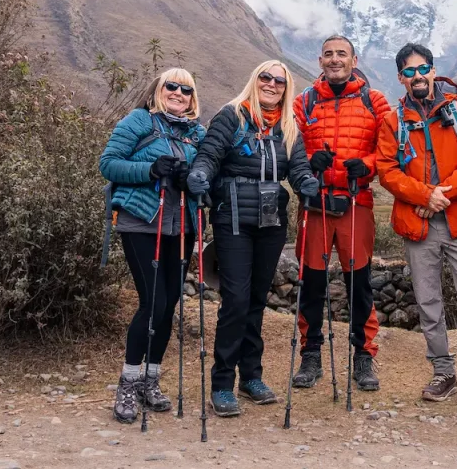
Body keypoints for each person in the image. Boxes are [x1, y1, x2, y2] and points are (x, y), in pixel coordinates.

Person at [187, 60, 319, 417]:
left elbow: (299, 167)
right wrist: (199, 175)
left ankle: (251, 377)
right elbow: (209, 155)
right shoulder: (232, 115)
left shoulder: (289, 125)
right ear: (254, 79)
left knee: (257, 299)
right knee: (236, 300)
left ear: (286, 86)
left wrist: (307, 183)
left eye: (280, 80)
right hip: (232, 220)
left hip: (271, 221)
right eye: (266, 77)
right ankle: (221, 384)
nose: (272, 84)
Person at [375, 42, 457, 415]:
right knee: (429, 303)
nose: (417, 76)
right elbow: (387, 170)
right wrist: (425, 196)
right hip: (418, 225)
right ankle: (444, 373)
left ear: (432, 69)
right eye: (409, 72)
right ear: (401, 78)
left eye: (422, 68)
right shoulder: (393, 121)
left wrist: (443, 193)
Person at [99, 68, 206, 424]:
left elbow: (208, 174)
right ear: (158, 90)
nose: (178, 92)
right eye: (171, 86)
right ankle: (128, 382)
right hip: (143, 222)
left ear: (193, 97)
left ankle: (151, 379)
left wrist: (191, 179)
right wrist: (150, 169)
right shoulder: (138, 120)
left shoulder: (196, 133)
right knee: (153, 301)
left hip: (182, 226)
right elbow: (109, 164)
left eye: (185, 88)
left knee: (169, 304)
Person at [290, 35, 391, 391]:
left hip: (355, 201)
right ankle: (311, 355)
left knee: (358, 283)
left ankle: (364, 357)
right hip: (315, 205)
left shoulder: (374, 101)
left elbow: (390, 150)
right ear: (320, 61)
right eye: (329, 54)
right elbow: (289, 146)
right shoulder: (305, 102)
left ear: (353, 59)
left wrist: (364, 166)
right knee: (311, 283)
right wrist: (306, 166)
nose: (335, 60)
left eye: (341, 54)